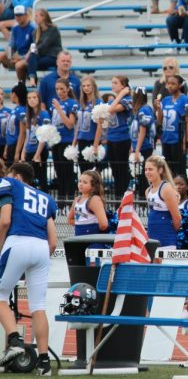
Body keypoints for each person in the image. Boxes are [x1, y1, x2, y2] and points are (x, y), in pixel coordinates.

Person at [0, 163, 58, 375]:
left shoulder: (10, 183)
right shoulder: (46, 198)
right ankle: (44, 363)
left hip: (17, 242)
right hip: (42, 248)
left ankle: (15, 340)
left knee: (0, 296)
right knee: (38, 306)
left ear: (16, 176)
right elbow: (53, 242)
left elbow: (5, 220)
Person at [156, 75, 188, 178]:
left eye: (173, 84)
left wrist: (184, 142)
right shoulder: (165, 100)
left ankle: (184, 193)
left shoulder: (185, 100)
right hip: (166, 139)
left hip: (177, 140)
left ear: (180, 85)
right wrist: (159, 108)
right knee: (167, 171)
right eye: (168, 83)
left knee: (180, 171)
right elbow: (160, 121)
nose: (170, 86)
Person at [48, 78, 78, 198]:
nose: (59, 91)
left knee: (68, 172)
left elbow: (70, 124)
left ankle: (70, 198)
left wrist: (59, 109)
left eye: (62, 89)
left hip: (66, 141)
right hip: (56, 141)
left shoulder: (72, 103)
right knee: (58, 171)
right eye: (57, 89)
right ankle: (61, 200)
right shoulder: (54, 105)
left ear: (67, 89)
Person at [144, 155, 181, 250]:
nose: (147, 172)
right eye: (146, 169)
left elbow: (177, 218)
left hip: (166, 239)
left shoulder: (166, 188)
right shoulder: (148, 191)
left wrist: (169, 233)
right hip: (151, 238)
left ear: (160, 170)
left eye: (150, 169)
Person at [106, 76, 134, 196]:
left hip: (122, 139)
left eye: (116, 83)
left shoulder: (127, 100)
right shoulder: (113, 100)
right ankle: (117, 196)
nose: (113, 85)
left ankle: (123, 197)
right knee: (114, 170)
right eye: (112, 82)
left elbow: (111, 109)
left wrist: (122, 94)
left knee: (122, 171)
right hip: (111, 138)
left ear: (123, 86)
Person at [68, 170, 108, 238]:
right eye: (80, 181)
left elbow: (104, 224)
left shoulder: (94, 199)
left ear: (93, 186)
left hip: (93, 239)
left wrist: (92, 228)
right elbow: (70, 219)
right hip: (78, 238)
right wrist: (82, 224)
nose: (80, 184)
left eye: (85, 182)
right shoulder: (77, 199)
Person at [0, 6, 35, 80]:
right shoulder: (15, 28)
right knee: (2, 55)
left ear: (26, 15)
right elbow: (11, 45)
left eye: (20, 15)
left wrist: (21, 58)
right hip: (19, 56)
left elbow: (34, 48)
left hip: (32, 57)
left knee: (19, 65)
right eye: (16, 15)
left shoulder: (33, 28)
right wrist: (10, 57)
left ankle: (21, 85)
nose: (18, 17)